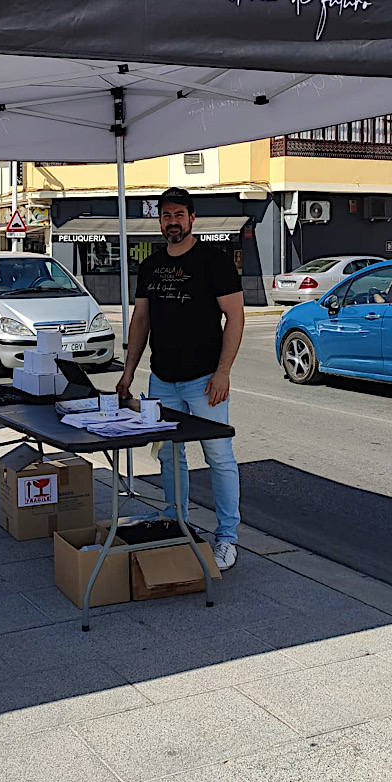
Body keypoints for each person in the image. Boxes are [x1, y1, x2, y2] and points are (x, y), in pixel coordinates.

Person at [116, 187, 245, 570]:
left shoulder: (214, 261)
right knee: (170, 456)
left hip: (205, 380)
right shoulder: (151, 265)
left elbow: (235, 318)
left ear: (192, 218)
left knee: (218, 455)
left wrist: (223, 372)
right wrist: (127, 373)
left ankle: (227, 538)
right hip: (162, 380)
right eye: (165, 215)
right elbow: (141, 320)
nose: (171, 222)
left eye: (178, 215)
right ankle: (177, 524)